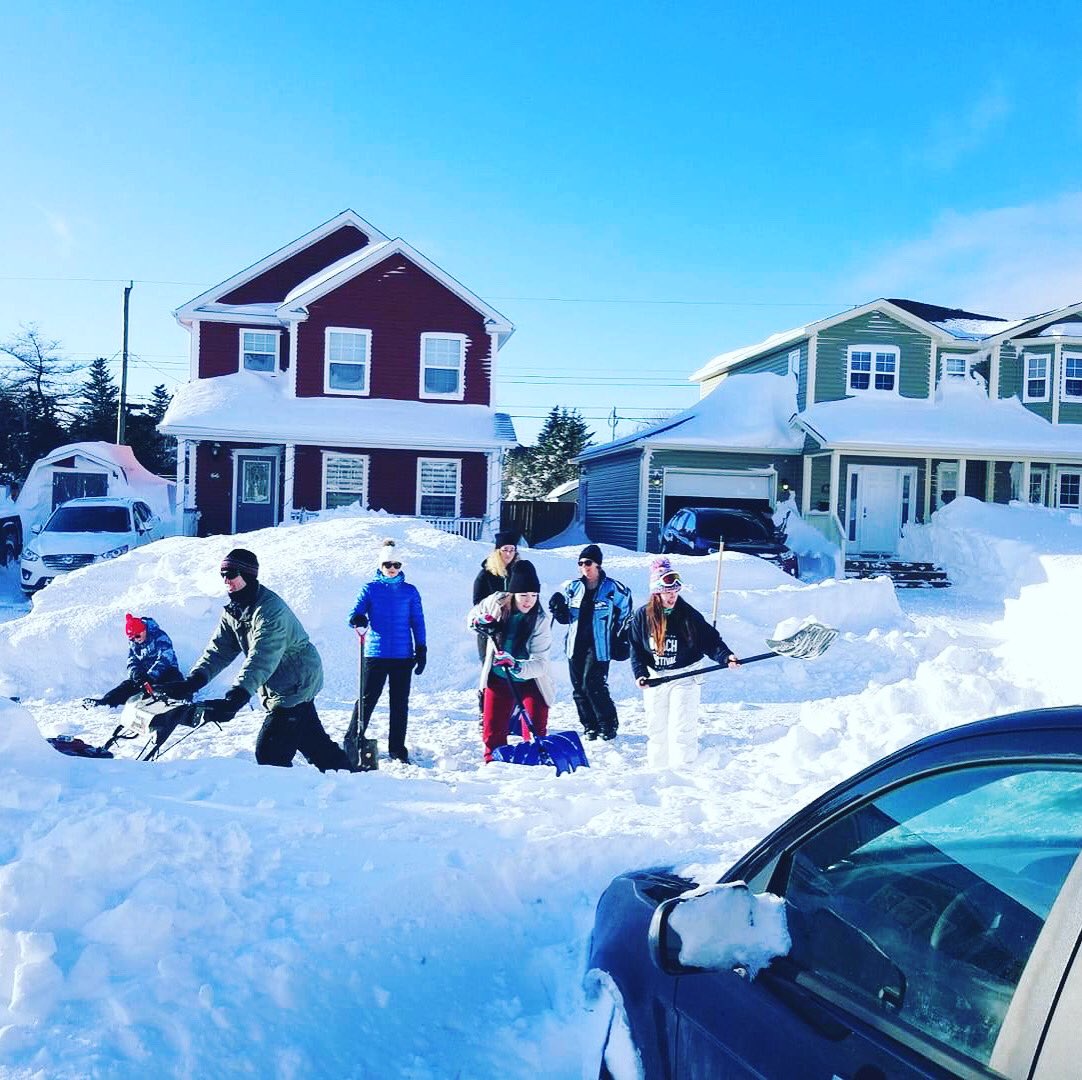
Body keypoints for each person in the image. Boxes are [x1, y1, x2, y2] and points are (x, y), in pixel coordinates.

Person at [161, 548, 352, 772]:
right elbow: (219, 650)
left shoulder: (270, 611)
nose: (226, 580)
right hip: (280, 681)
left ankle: (290, 801)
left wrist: (236, 697)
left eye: (231, 574)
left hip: (296, 682)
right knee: (312, 741)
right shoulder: (236, 608)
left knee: (270, 752)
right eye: (222, 574)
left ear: (248, 575)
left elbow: (261, 658)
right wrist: (192, 682)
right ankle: (351, 779)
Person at [628, 556, 739, 769]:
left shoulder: (688, 615)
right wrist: (640, 673)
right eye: (668, 592)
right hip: (655, 677)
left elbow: (710, 640)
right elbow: (636, 648)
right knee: (656, 729)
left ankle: (683, 770)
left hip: (686, 675)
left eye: (675, 592)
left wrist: (726, 656)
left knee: (682, 728)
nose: (672, 596)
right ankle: (658, 771)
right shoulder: (643, 616)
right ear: (656, 593)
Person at [347, 538, 427, 765]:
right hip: (376, 654)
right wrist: (358, 618)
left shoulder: (410, 591)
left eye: (396, 565)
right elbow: (354, 614)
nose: (392, 569)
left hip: (403, 656)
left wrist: (421, 648)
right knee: (366, 699)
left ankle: (397, 748)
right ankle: (354, 740)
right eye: (387, 565)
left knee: (400, 703)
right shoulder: (370, 589)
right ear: (380, 566)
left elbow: (417, 620)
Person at [467, 559, 555, 763]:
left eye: (534, 595)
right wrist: (480, 623)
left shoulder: (540, 620)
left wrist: (515, 664)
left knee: (536, 726)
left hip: (532, 681)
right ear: (513, 594)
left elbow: (541, 663)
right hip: (499, 678)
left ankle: (537, 764)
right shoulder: (496, 602)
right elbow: (473, 616)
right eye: (523, 595)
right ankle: (494, 766)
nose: (529, 601)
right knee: (492, 729)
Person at [548, 544, 633, 741]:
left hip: (600, 646)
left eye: (588, 563)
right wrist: (558, 608)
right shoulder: (573, 588)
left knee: (592, 683)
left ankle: (608, 724)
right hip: (576, 645)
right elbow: (566, 618)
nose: (584, 567)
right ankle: (590, 726)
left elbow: (627, 615)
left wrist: (621, 637)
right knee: (579, 688)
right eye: (581, 563)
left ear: (598, 565)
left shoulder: (614, 589)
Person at [84, 612, 183, 708]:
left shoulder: (159, 636)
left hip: (164, 672)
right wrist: (136, 674)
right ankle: (105, 702)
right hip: (145, 677)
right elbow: (132, 660)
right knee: (127, 685)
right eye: (132, 638)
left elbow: (165, 658)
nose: (136, 639)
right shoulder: (134, 643)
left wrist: (151, 676)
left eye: (138, 636)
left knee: (174, 679)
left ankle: (183, 701)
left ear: (144, 630)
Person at [471, 530, 520, 661]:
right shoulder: (486, 574)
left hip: (514, 629)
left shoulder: (519, 572)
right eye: (505, 550)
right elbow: (478, 603)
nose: (509, 553)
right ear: (498, 551)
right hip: (490, 631)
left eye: (512, 549)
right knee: (490, 670)